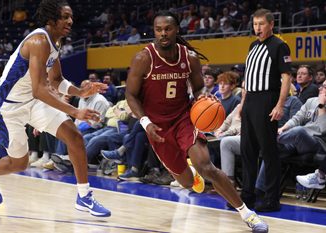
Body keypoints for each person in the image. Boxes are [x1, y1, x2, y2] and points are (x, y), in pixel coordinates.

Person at [125, 10, 268, 232]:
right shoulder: (143, 58)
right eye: (158, 29)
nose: (163, 33)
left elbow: (199, 86)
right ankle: (190, 169)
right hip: (157, 126)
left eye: (168, 29)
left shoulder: (189, 57)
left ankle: (247, 214)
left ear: (177, 30)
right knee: (187, 183)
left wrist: (202, 96)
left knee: (207, 167)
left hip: (184, 118)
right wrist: (145, 122)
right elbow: (131, 95)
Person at [0, 0, 111, 217]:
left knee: (74, 136)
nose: (70, 21)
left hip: (32, 102)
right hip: (7, 107)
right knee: (20, 164)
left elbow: (56, 79)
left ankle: (84, 196)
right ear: (51, 20)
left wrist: (80, 92)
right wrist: (74, 111)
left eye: (71, 16)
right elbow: (40, 88)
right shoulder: (39, 41)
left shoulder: (55, 43)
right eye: (65, 17)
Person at [240, 8, 292, 212]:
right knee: (247, 151)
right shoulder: (252, 46)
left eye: (261, 24)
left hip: (267, 99)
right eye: (255, 24)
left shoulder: (280, 45)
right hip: (250, 101)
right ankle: (247, 196)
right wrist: (243, 104)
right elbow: (248, 78)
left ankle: (272, 199)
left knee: (268, 152)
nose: (257, 28)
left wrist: (279, 105)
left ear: (271, 25)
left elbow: (287, 77)